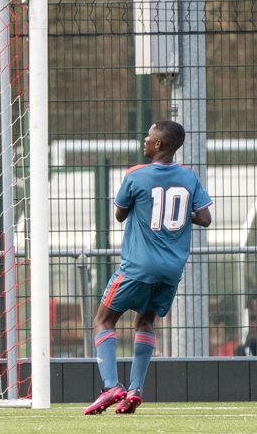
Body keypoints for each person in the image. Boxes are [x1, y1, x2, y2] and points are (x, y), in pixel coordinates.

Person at [85, 121, 213, 416]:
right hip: (171, 269)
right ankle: (135, 391)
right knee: (145, 323)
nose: (144, 139)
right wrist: (180, 212)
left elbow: (119, 214)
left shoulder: (136, 174)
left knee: (103, 321)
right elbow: (205, 219)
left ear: (158, 145)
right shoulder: (189, 177)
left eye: (149, 136)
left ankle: (110, 387)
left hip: (138, 267)